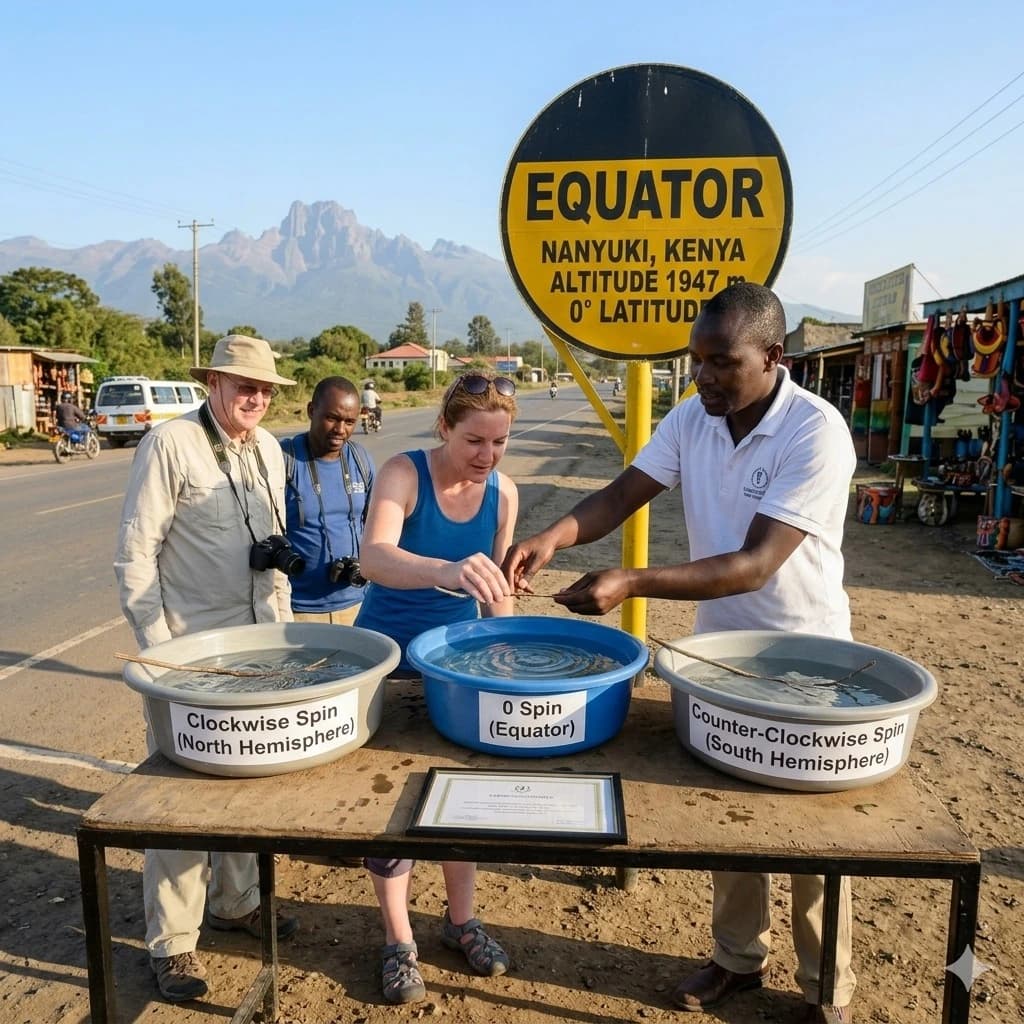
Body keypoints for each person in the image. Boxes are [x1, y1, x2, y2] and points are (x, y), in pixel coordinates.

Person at [503, 283, 858, 1024]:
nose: (704, 377)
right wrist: (552, 538)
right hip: (723, 654)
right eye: (696, 360)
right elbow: (621, 494)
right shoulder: (694, 418)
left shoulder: (815, 431)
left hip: (808, 659)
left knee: (816, 833)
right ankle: (738, 959)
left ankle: (827, 988)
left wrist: (631, 580)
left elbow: (757, 562)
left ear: (772, 356)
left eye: (721, 362)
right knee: (732, 815)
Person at [113, 334, 301, 1004]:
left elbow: (271, 555)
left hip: (256, 652)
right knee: (180, 802)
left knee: (248, 789)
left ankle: (238, 904)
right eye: (242, 384)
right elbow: (136, 557)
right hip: (187, 656)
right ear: (213, 384)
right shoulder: (170, 445)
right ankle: (174, 944)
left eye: (264, 388)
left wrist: (281, 637)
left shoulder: (271, 449)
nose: (254, 396)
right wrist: (160, 656)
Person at [354, 371, 519, 1004]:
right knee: (392, 812)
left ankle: (461, 922)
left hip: (457, 670)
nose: (486, 456)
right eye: (474, 440)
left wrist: (511, 661)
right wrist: (448, 570)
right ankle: (399, 942)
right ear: (445, 427)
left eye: (499, 442)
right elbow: (376, 557)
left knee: (460, 797)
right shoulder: (403, 473)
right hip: (391, 664)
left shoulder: (504, 493)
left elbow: (498, 593)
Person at [283, 376, 375, 625]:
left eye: (349, 422)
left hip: (357, 604)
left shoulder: (360, 459)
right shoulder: (283, 459)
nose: (340, 430)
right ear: (312, 411)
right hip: (299, 611)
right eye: (332, 418)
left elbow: (376, 527)